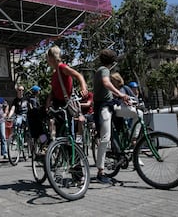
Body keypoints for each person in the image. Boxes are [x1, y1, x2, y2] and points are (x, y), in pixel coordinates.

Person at [93, 49, 130, 184]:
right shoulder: (103, 70)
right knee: (105, 138)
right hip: (103, 107)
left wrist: (123, 98)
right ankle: (100, 171)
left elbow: (106, 90)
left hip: (111, 105)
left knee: (138, 114)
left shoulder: (101, 69)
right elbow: (106, 83)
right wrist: (120, 94)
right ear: (112, 61)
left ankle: (131, 144)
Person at [45, 45, 88, 140]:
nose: (47, 61)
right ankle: (49, 142)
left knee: (67, 129)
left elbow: (78, 75)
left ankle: (71, 148)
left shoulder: (62, 68)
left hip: (66, 102)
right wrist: (48, 103)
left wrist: (84, 88)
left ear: (51, 58)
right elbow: (53, 91)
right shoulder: (54, 73)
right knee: (53, 124)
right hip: (57, 102)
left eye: (48, 58)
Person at [110, 73, 144, 143]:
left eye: (112, 80)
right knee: (139, 114)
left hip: (125, 109)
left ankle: (133, 136)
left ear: (117, 80)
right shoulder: (111, 90)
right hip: (117, 109)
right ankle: (133, 137)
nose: (111, 82)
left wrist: (130, 101)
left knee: (139, 114)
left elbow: (135, 99)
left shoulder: (125, 88)